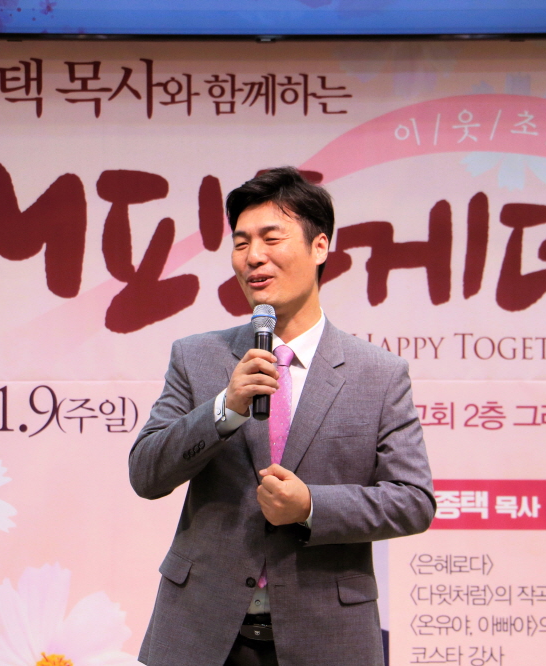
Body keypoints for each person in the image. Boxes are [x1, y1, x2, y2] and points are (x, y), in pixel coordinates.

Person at [129, 167, 435, 666]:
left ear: (320, 246)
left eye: (271, 239)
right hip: (201, 636)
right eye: (241, 243)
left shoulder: (378, 374)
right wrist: (223, 410)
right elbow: (146, 473)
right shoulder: (197, 357)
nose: (253, 257)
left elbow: (412, 501)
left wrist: (310, 505)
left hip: (327, 639)